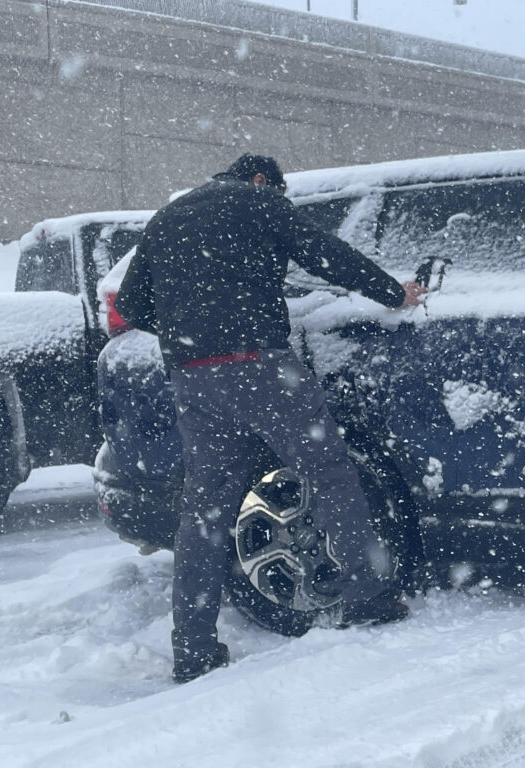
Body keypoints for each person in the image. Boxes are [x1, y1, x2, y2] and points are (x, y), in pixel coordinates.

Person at [115, 153, 425, 684]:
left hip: (193, 377)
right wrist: (394, 293)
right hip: (260, 366)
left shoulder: (169, 216)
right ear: (263, 180)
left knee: (204, 510)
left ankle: (193, 648)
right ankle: (367, 596)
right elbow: (327, 255)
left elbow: (132, 304)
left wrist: (194, 328)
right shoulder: (259, 201)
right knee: (328, 472)